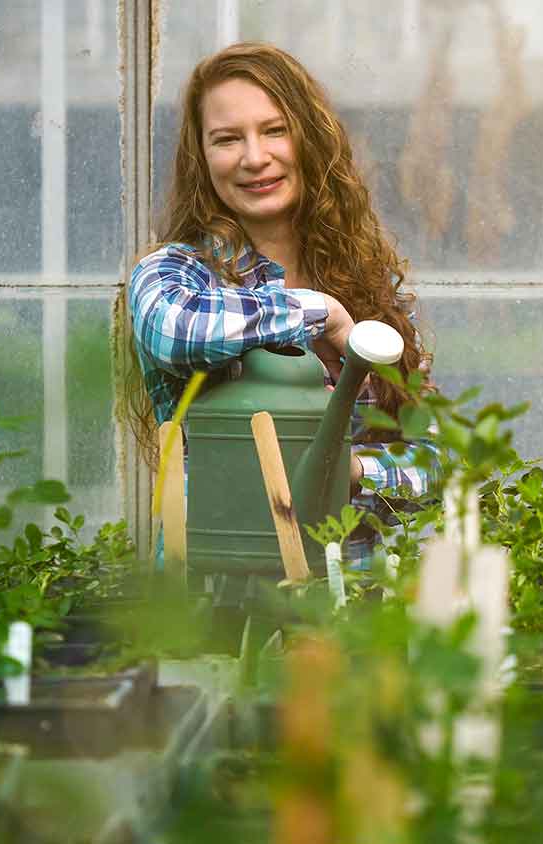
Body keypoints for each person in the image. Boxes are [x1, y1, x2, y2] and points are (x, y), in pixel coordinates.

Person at [116, 42, 436, 567]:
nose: (254, 157)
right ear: (202, 157)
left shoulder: (369, 286)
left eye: (274, 130)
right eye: (227, 139)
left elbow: (432, 456)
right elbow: (177, 331)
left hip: (353, 597)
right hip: (212, 591)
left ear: (307, 138)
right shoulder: (176, 274)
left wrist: (349, 469)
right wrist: (323, 313)